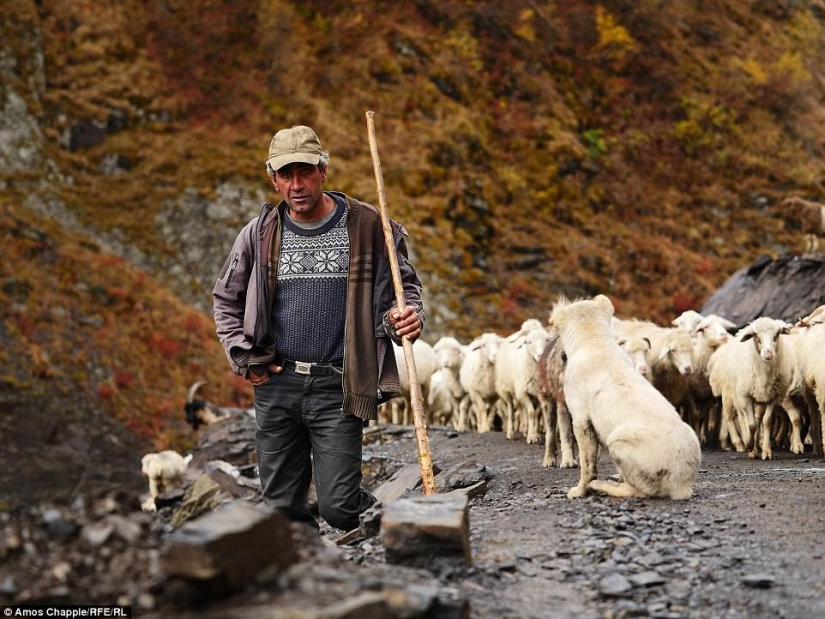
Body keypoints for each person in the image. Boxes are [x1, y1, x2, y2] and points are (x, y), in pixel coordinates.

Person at [213, 125, 424, 532]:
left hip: (339, 384)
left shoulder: (368, 227)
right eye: (286, 175)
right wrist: (242, 356)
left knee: (341, 508)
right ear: (273, 178)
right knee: (281, 511)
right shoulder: (259, 234)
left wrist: (406, 316)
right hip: (277, 384)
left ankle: (384, 522)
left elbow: (404, 290)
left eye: (305, 172)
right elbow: (225, 299)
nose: (296, 185)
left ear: (323, 170)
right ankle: (311, 576)